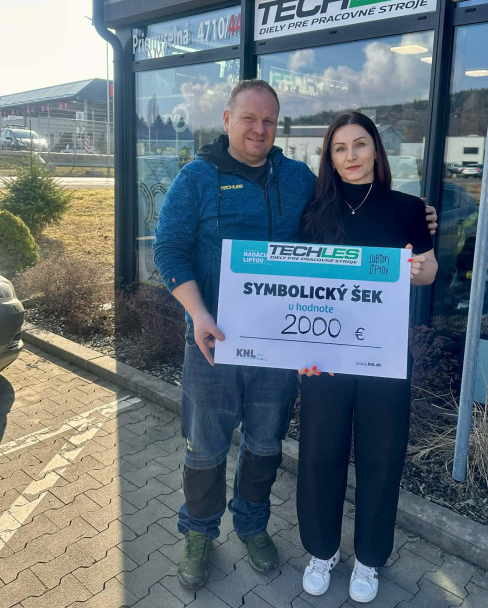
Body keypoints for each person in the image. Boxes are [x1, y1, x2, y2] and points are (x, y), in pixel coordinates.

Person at [153, 81, 438, 590]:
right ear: (227, 119)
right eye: (249, 118)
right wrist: (198, 314)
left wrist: (420, 222)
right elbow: (168, 249)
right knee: (205, 446)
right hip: (214, 340)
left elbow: (355, 226)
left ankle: (252, 526)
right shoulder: (196, 178)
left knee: (265, 443)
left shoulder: (298, 179)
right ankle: (198, 533)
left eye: (268, 120)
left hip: (280, 346)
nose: (259, 129)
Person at [296, 112, 438, 604]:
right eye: (340, 148)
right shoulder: (314, 210)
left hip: (384, 354)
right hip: (324, 354)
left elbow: (429, 270)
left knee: (381, 455)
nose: (351, 156)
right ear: (330, 158)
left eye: (360, 144)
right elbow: (297, 282)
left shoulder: (408, 208)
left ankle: (369, 559)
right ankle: (322, 551)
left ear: (376, 149)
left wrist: (416, 269)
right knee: (319, 453)